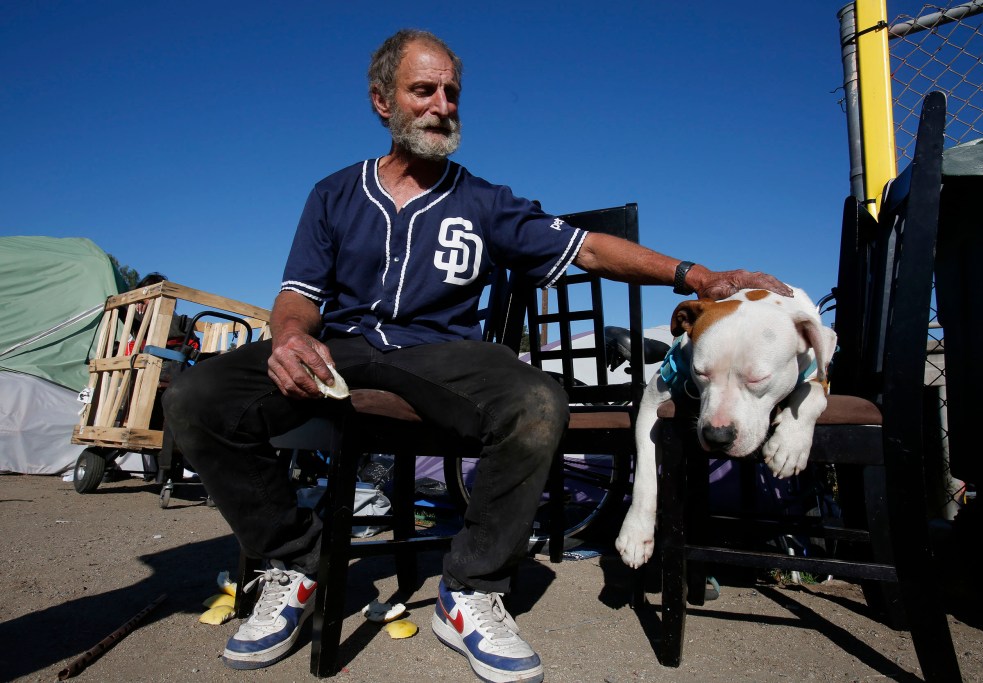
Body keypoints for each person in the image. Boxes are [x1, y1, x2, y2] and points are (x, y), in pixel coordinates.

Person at [161, 29, 790, 682]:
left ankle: (470, 587)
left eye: (452, 93)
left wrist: (695, 276)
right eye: (423, 89)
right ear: (382, 101)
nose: (441, 104)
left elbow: (593, 249)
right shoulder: (333, 194)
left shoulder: (485, 202)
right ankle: (294, 560)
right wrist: (291, 335)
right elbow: (297, 294)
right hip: (341, 349)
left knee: (538, 401)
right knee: (195, 397)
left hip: (439, 356)